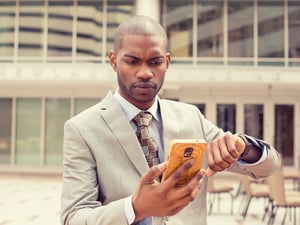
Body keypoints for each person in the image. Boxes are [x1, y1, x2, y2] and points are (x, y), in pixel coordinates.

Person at [61, 15, 281, 225]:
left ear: (167, 61)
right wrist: (135, 207)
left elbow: (270, 167)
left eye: (155, 61)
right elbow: (74, 218)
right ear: (113, 61)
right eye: (132, 61)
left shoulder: (191, 117)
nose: (145, 72)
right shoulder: (82, 129)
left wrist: (243, 148)